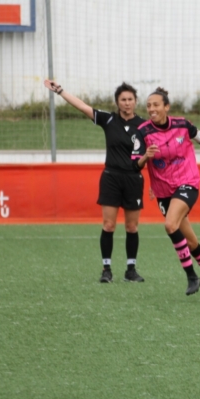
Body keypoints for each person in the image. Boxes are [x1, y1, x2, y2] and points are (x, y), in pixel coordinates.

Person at [43, 79, 146, 283]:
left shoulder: (144, 125)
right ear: (117, 102)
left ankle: (131, 270)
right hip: (111, 178)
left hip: (134, 179)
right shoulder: (108, 120)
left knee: (132, 227)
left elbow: (151, 153)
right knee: (108, 225)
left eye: (130, 99)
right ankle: (106, 269)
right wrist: (61, 91)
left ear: (135, 101)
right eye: (123, 99)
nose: (127, 103)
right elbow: (82, 106)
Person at [136, 87, 200, 297]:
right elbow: (137, 164)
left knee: (170, 224)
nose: (152, 109)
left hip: (187, 182)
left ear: (166, 107)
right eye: (149, 105)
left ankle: (191, 276)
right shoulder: (143, 131)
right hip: (163, 190)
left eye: (156, 105)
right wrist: (146, 159)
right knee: (191, 241)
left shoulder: (183, 125)